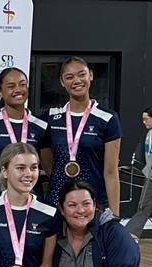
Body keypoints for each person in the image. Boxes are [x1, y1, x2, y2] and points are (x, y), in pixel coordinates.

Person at [42, 56, 122, 214]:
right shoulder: (50, 118)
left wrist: (114, 217)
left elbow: (111, 172)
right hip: (56, 202)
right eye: (69, 77)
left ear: (90, 75)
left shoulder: (107, 118)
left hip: (92, 203)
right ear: (62, 82)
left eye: (81, 74)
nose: (76, 80)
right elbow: (47, 162)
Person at [0, 67, 48, 197]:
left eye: (22, 84)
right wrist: (6, 163)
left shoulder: (40, 126)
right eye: (11, 86)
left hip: (32, 198)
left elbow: (46, 166)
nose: (18, 89)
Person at [125, 106, 152, 239]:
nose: (144, 122)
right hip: (151, 176)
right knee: (144, 206)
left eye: (146, 119)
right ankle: (129, 235)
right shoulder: (149, 134)